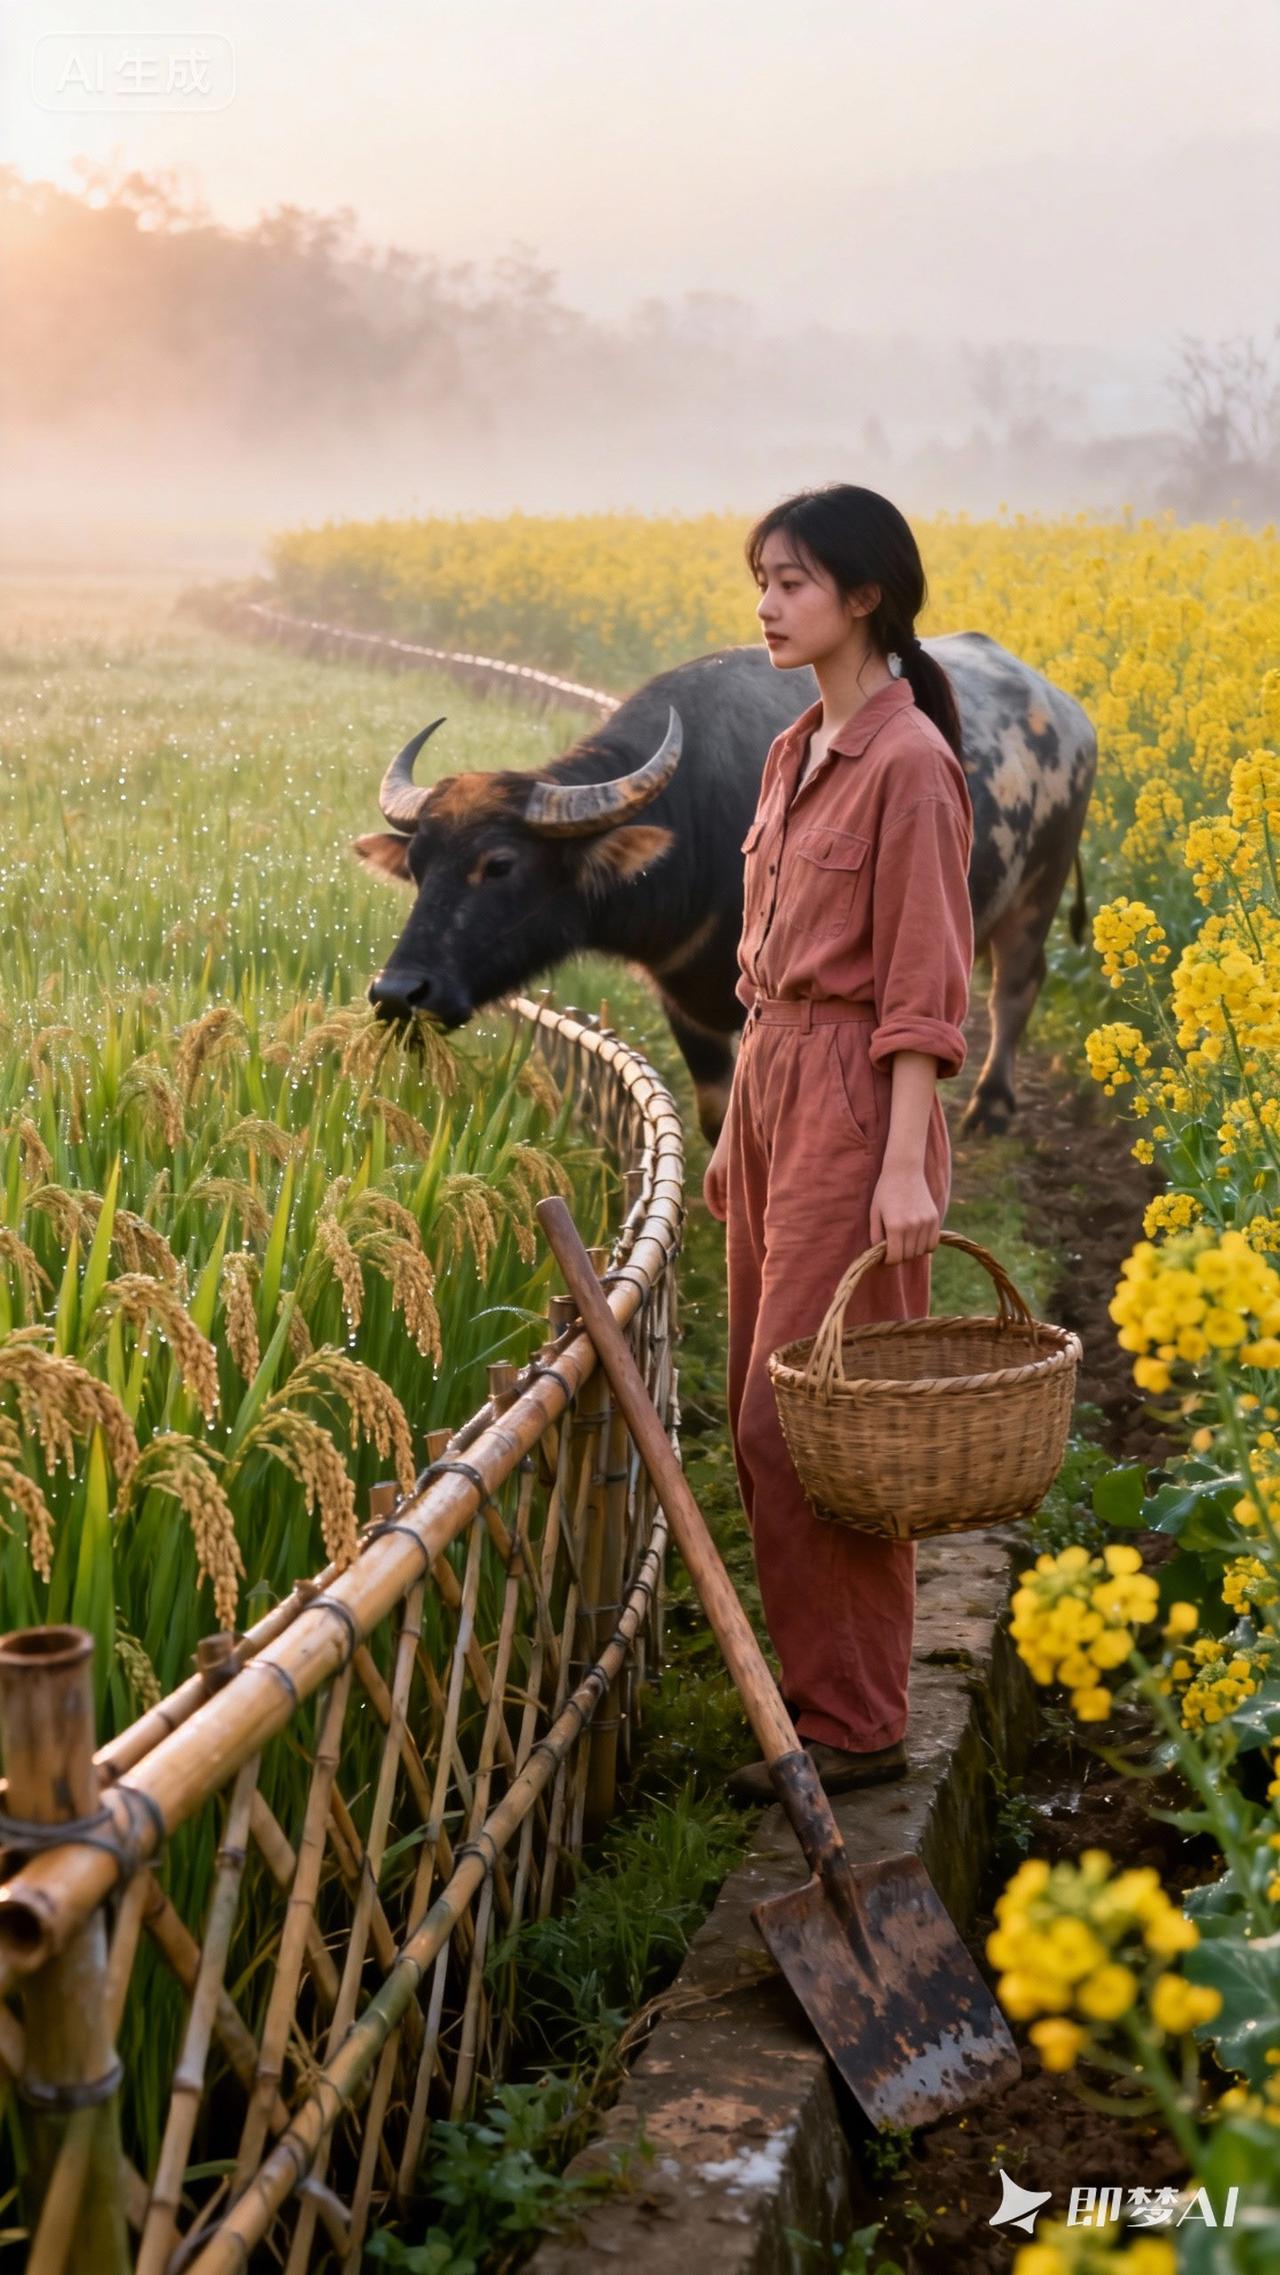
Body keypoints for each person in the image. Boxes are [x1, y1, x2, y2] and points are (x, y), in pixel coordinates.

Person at [701, 483, 975, 1802]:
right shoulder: (792, 750)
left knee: (809, 1426)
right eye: (761, 578)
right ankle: (831, 1715)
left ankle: (858, 1726)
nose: (767, 603)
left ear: (864, 595)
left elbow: (924, 984)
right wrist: (734, 1129)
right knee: (776, 1419)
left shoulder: (911, 764)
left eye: (794, 581)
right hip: (775, 1091)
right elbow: (769, 973)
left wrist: (907, 1161)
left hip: (860, 1103)